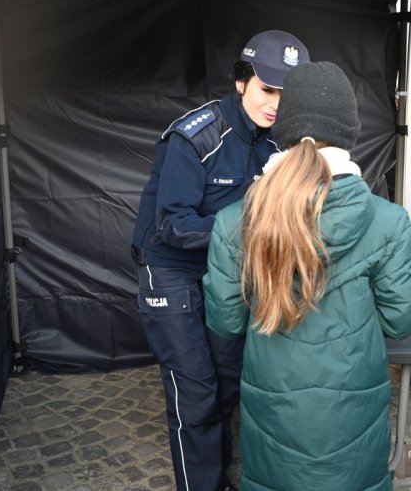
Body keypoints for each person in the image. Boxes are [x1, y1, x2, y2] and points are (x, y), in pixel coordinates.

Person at [203, 61, 411, 490]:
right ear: (349, 132)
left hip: (274, 409)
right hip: (353, 412)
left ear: (282, 130)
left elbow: (225, 321)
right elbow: (403, 321)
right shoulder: (389, 220)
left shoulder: (236, 220)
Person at [131, 29, 309, 491]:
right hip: (170, 272)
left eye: (286, 95)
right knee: (196, 394)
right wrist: (251, 234)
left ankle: (220, 480)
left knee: (229, 384)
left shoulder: (283, 144)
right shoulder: (196, 135)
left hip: (227, 275)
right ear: (241, 82)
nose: (275, 104)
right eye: (268, 89)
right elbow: (171, 225)